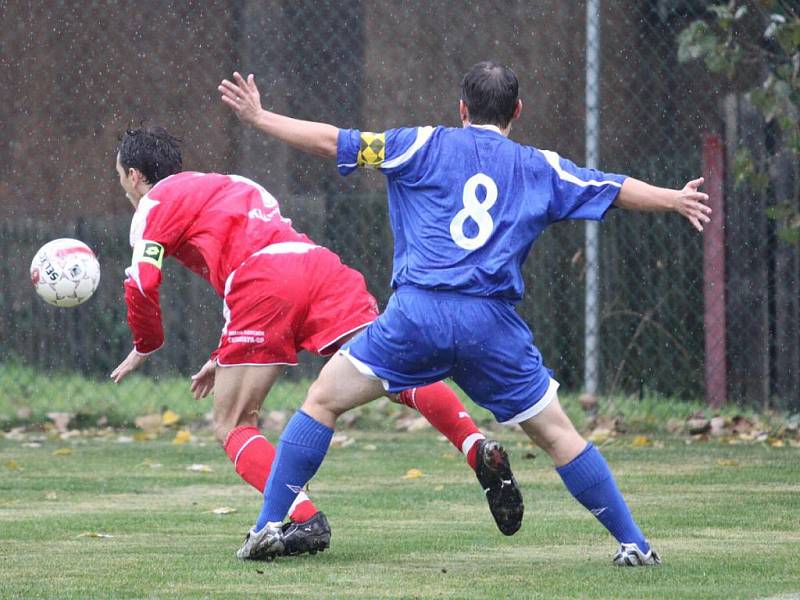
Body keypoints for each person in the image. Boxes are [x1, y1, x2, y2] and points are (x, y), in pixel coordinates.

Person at [219, 60, 712, 565]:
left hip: (417, 316)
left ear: (462, 109)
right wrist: (672, 199)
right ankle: (635, 545)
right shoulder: (538, 165)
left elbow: (335, 141)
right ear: (516, 111)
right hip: (490, 328)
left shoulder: (420, 144)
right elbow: (610, 188)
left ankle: (267, 526)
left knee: (323, 400)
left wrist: (261, 119)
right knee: (559, 434)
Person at [109, 125, 524, 558]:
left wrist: (147, 342)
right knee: (394, 368)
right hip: (315, 265)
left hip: (263, 283)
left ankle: (302, 518)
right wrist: (224, 354)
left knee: (233, 422)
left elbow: (143, 281)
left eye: (120, 176)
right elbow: (261, 253)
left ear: (136, 175)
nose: (122, 187)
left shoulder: (155, 203)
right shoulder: (228, 183)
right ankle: (475, 444)